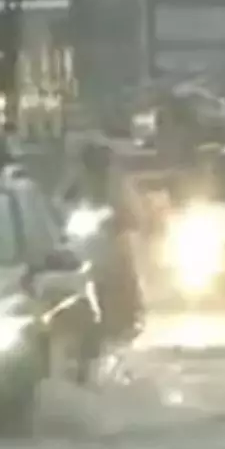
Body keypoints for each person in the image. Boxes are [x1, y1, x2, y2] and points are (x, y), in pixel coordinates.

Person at [62, 137, 144, 338]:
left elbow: (128, 207)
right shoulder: (79, 178)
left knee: (123, 265)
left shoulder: (116, 181)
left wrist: (119, 217)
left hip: (110, 235)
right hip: (85, 236)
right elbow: (62, 198)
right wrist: (64, 210)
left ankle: (131, 307)